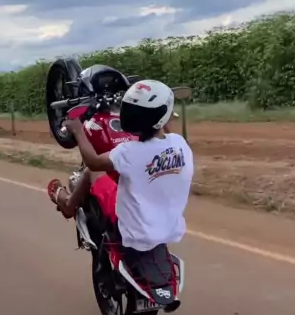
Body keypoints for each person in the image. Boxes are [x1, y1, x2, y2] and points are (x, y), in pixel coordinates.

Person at [47, 79, 194, 252]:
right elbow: (163, 138)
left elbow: (93, 162)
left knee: (92, 172)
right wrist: (164, 118)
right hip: (169, 230)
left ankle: (68, 205)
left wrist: (77, 130)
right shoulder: (180, 144)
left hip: (133, 233)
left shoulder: (128, 152)